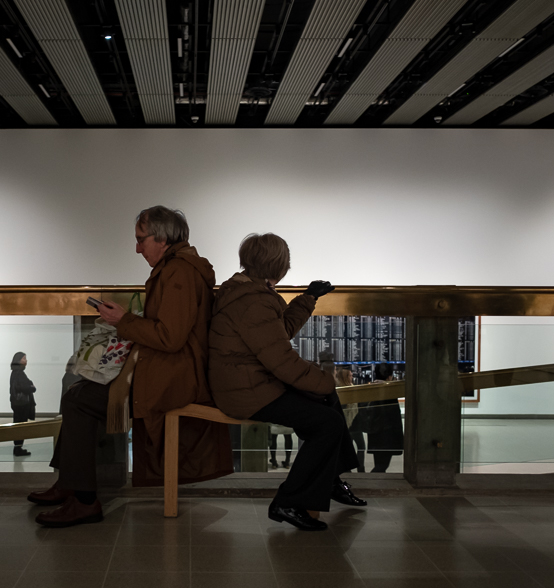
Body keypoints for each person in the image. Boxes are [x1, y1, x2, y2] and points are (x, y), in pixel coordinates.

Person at [29, 205, 232, 527]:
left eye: (141, 240)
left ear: (163, 238)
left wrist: (122, 320)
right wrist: (127, 321)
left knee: (79, 399)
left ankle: (83, 499)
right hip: (169, 368)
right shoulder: (180, 268)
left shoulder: (179, 272)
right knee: (78, 394)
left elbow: (170, 337)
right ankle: (70, 483)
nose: (137, 248)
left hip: (173, 376)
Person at [208, 233, 364, 531]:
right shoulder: (254, 302)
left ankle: (328, 480)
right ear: (278, 266)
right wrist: (324, 381)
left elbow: (277, 331)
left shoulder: (249, 292)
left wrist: (308, 298)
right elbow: (280, 359)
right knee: (327, 421)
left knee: (327, 404)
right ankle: (289, 501)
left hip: (249, 382)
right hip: (246, 391)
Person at [355, 363, 403, 473]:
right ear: (389, 376)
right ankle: (366, 484)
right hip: (387, 435)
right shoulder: (389, 391)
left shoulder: (371, 388)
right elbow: (394, 416)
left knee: (379, 464)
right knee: (382, 466)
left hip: (374, 434)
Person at [9, 351, 36, 457]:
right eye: (24, 358)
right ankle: (18, 448)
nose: (26, 360)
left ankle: (18, 447)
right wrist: (32, 388)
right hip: (21, 403)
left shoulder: (17, 372)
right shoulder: (18, 373)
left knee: (19, 425)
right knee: (20, 426)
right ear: (19, 360)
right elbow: (23, 387)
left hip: (19, 403)